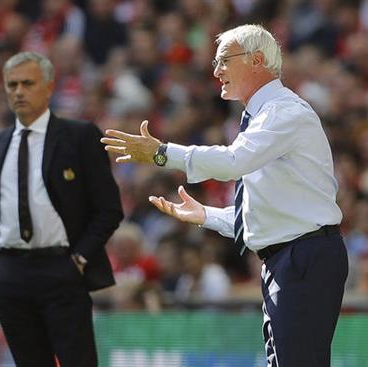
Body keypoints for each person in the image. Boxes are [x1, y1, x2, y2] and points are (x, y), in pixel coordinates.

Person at [101, 24, 348, 367]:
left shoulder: (284, 112)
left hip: (303, 257)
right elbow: (268, 215)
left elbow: (233, 161)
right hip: (288, 258)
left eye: (223, 61)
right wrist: (206, 215)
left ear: (257, 60)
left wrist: (162, 153)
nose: (216, 71)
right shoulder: (263, 117)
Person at [0, 51, 123, 367]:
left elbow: (109, 209)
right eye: (11, 84)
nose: (18, 91)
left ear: (48, 87)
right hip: (9, 272)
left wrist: (79, 259)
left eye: (27, 83)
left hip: (62, 267)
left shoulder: (79, 136)